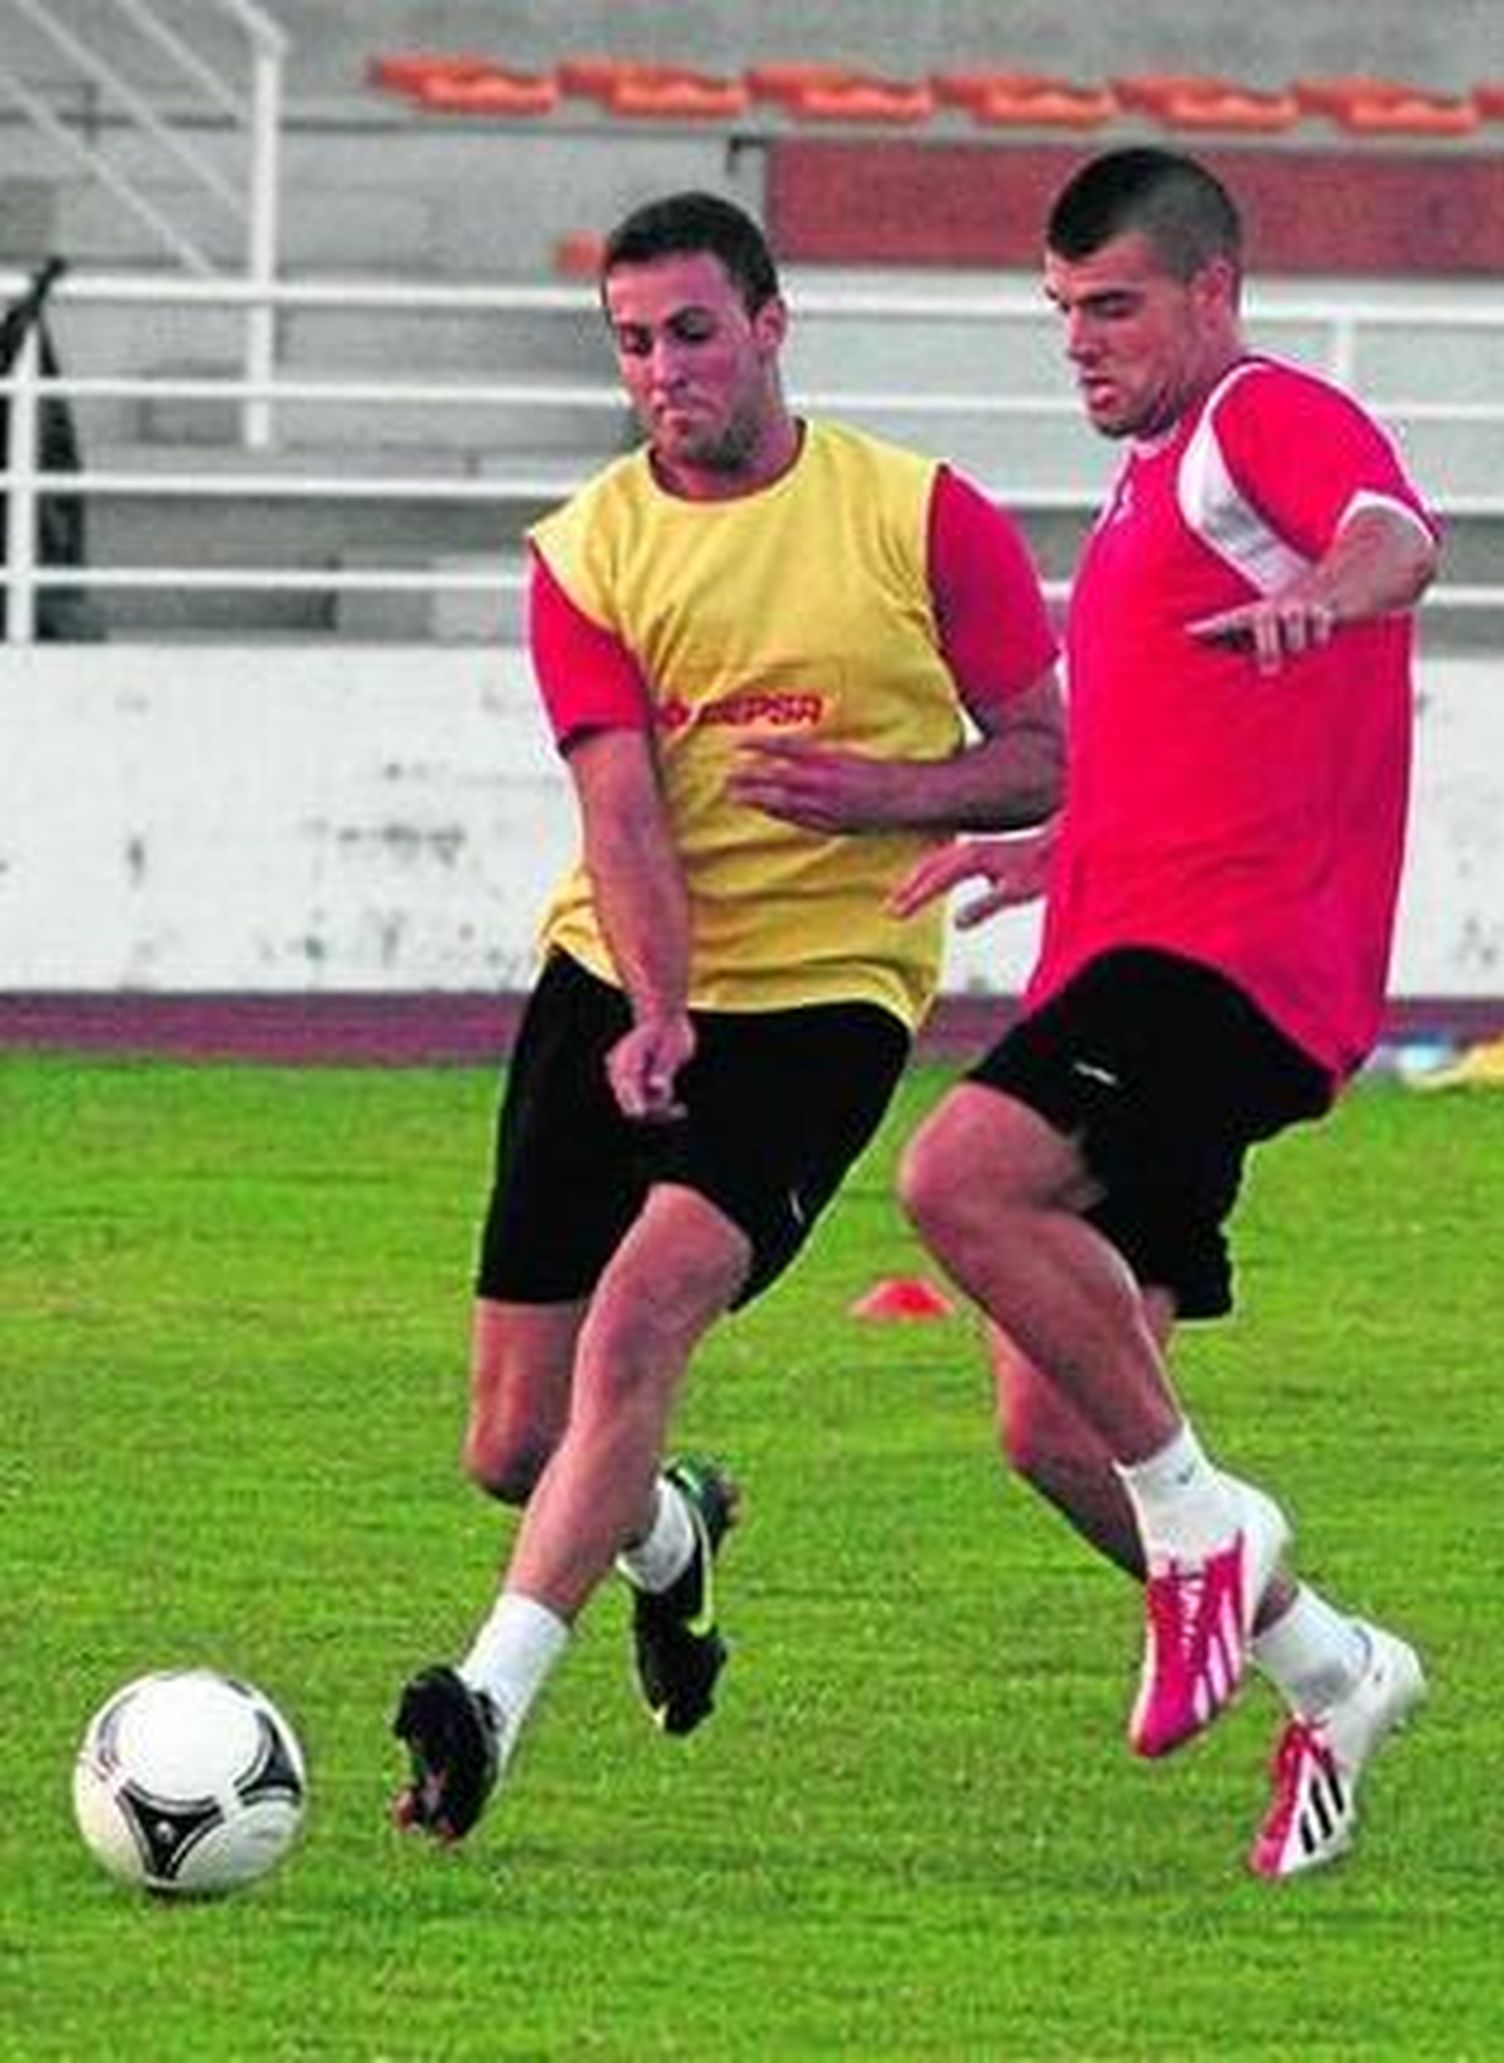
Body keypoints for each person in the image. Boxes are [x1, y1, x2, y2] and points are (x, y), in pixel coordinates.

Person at [390, 191, 1063, 1842]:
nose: (662, 370)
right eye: (631, 342)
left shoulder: (919, 518)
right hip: (617, 981)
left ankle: (484, 1699)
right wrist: (657, 1002)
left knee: (645, 1311)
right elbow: (620, 807)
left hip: (830, 994)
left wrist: (885, 792)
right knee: (513, 1441)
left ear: (771, 324)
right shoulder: (589, 550)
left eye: (692, 331)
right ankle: (670, 1538)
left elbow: (1048, 755)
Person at [895, 147, 1440, 1881]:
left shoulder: (1261, 418)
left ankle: (1209, 1526)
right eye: (1061, 312)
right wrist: (1057, 845)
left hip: (1231, 969)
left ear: (1213, 293)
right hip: (1143, 947)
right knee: (1053, 1430)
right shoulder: (1146, 492)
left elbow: (1393, 536)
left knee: (958, 1183)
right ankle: (1335, 1668)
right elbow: (1181, 750)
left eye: (1113, 304)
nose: (1081, 341)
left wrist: (1322, 597)